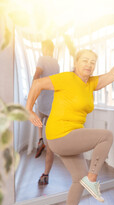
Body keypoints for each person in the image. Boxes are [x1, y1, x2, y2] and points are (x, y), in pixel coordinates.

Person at [26, 39, 114, 205]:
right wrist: (29, 110)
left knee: (79, 179)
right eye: (84, 61)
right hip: (60, 134)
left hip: (71, 135)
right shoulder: (66, 78)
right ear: (76, 63)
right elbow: (37, 84)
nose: (88, 65)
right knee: (106, 136)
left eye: (92, 62)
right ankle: (92, 179)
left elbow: (113, 74)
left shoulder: (91, 83)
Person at [33, 40, 60, 185]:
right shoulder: (56, 62)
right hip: (54, 101)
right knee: (50, 140)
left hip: (43, 98)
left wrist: (33, 87)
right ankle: (45, 175)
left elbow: (37, 74)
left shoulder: (42, 59)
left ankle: (39, 140)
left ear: (44, 48)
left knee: (37, 119)